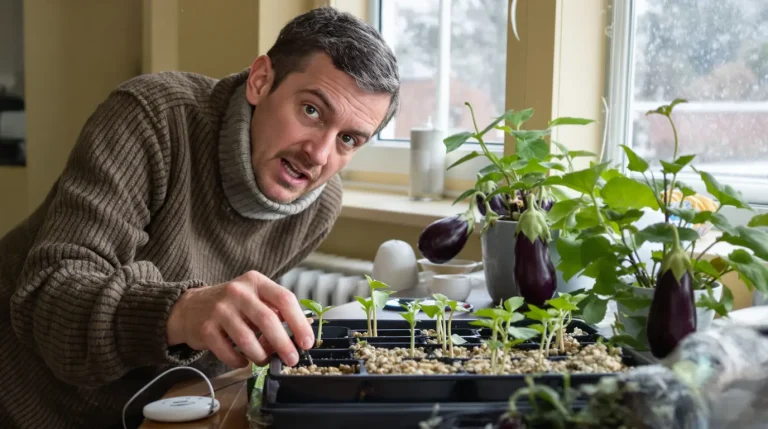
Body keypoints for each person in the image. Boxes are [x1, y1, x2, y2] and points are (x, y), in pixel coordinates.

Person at [0, 6, 399, 429]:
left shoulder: (320, 204)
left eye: (348, 139)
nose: (318, 155)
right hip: (21, 398)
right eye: (311, 111)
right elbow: (52, 302)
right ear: (261, 80)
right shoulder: (153, 117)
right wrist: (180, 312)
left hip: (151, 413)